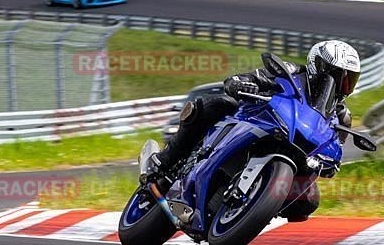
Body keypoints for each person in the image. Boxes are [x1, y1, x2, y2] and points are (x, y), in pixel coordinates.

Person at [141, 40, 361, 222]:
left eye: (349, 80)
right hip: (259, 119)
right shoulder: (292, 73)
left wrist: (331, 163)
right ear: (318, 66)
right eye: (338, 76)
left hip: (296, 153)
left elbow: (333, 147)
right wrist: (242, 83)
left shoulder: (341, 116)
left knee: (308, 201)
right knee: (211, 106)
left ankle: (255, 206)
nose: (343, 85)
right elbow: (255, 76)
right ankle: (163, 161)